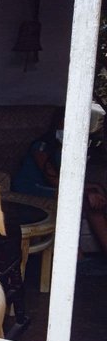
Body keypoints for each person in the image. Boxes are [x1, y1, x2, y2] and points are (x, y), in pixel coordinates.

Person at [12, 109, 107, 258]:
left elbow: (70, 178)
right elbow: (54, 180)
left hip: (53, 186)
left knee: (95, 194)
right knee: (85, 199)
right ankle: (77, 259)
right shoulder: (42, 146)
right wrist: (86, 192)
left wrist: (93, 188)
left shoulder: (67, 148)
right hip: (30, 187)